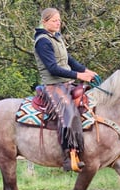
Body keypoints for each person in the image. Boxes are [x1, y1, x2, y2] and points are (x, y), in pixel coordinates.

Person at [33, 7, 98, 172]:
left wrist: (85, 70)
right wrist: (79, 76)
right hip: (53, 85)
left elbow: (69, 59)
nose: (58, 23)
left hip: (66, 82)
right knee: (69, 115)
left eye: (59, 20)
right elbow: (53, 68)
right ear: (44, 21)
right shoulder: (42, 41)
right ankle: (68, 156)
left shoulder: (56, 38)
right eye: (54, 20)